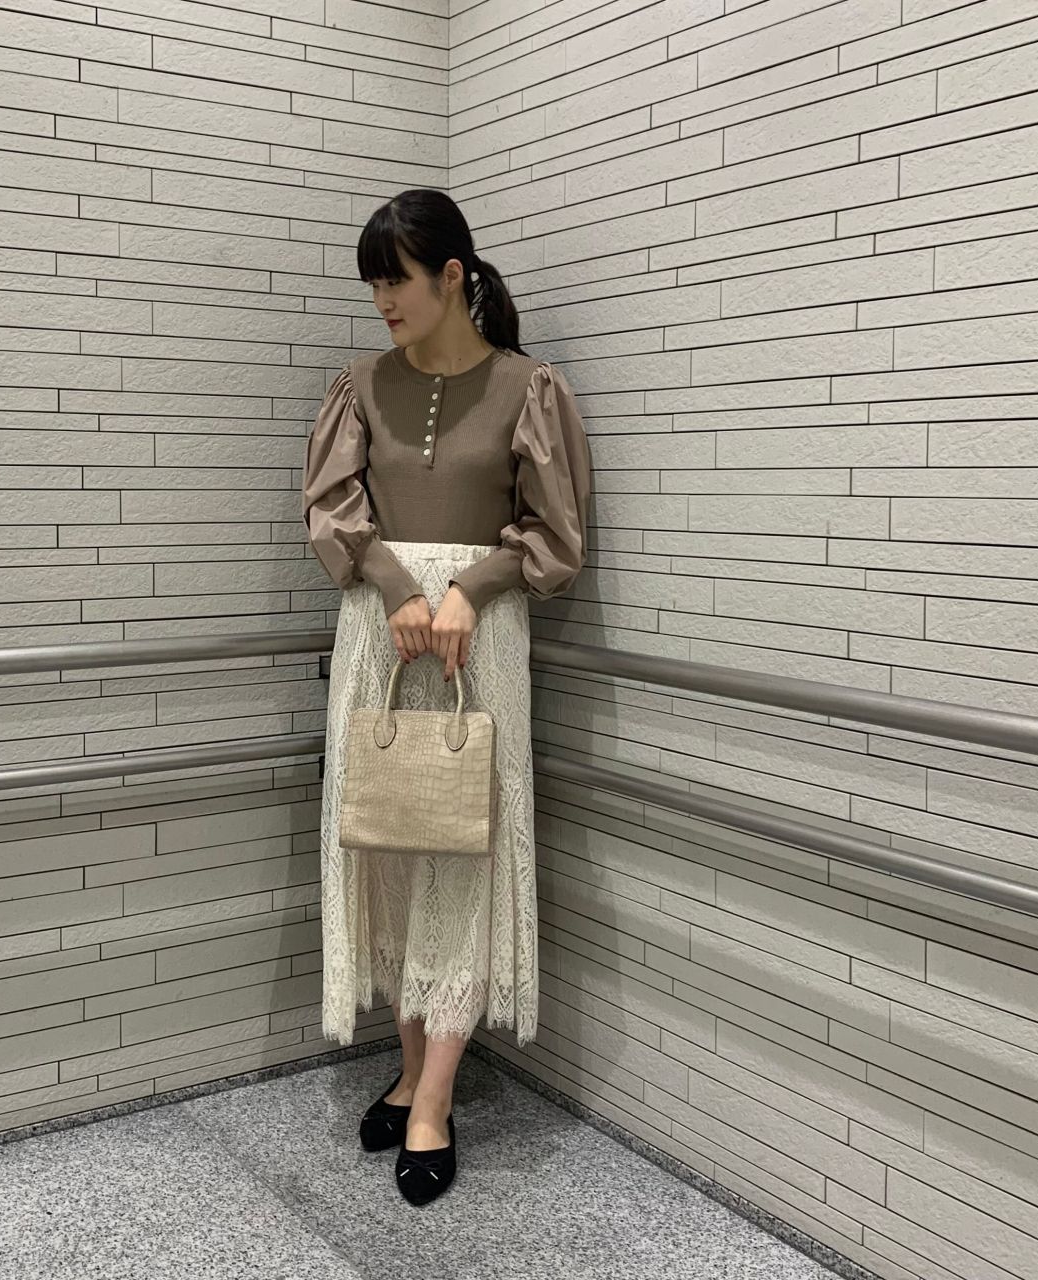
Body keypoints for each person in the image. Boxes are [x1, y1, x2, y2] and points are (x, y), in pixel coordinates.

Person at [301, 188, 592, 1205]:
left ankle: (433, 1099)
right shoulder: (358, 386)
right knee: (385, 844)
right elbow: (332, 509)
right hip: (380, 637)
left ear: (452, 276)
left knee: (465, 848)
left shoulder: (527, 387)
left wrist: (472, 586)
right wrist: (395, 586)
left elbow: (554, 533)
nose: (381, 300)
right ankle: (407, 1063)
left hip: (481, 644)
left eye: (397, 280)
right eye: (372, 283)